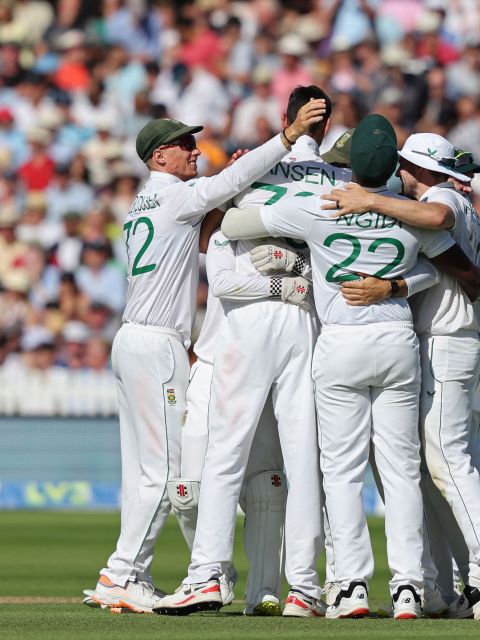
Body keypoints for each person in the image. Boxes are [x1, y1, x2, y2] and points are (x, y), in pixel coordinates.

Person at [219, 114, 480, 620]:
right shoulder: (409, 211)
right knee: (402, 471)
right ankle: (407, 586)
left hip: (340, 340)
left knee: (340, 473)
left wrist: (249, 189)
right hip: (397, 339)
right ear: (394, 165)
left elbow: (235, 223)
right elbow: (453, 269)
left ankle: (351, 588)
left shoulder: (317, 205)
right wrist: (398, 285)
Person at [87, 99, 327, 614]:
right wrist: (284, 140)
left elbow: (208, 227)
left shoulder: (143, 204)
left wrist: (237, 184)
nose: (195, 151)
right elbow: (227, 186)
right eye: (183, 146)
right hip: (158, 344)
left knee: (139, 472)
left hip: (129, 339)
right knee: (168, 470)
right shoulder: (175, 197)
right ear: (158, 159)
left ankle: (130, 572)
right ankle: (122, 573)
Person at [320, 132, 480, 619]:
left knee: (446, 461)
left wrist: (369, 199)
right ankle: (444, 584)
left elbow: (438, 227)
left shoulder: (440, 199)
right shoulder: (465, 212)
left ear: (418, 166)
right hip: (461, 342)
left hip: (442, 341)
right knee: (426, 471)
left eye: (405, 166)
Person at [155, 86, 338, 617]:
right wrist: (299, 278)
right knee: (303, 457)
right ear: (323, 128)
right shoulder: (336, 181)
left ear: (288, 120)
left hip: (247, 324)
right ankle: (304, 586)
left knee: (226, 454)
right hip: (304, 320)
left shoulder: (252, 169)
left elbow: (222, 268)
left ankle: (207, 573)